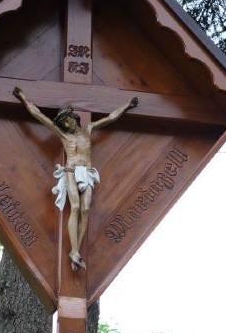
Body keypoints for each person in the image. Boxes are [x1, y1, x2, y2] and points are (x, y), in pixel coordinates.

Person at [13, 86, 138, 270]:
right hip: (71, 171)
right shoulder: (63, 135)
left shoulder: (88, 129)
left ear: (74, 118)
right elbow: (39, 116)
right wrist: (23, 98)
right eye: (64, 123)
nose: (67, 124)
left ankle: (75, 251)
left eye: (68, 120)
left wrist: (127, 105)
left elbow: (111, 117)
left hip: (86, 172)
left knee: (86, 209)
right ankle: (74, 250)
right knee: (76, 207)